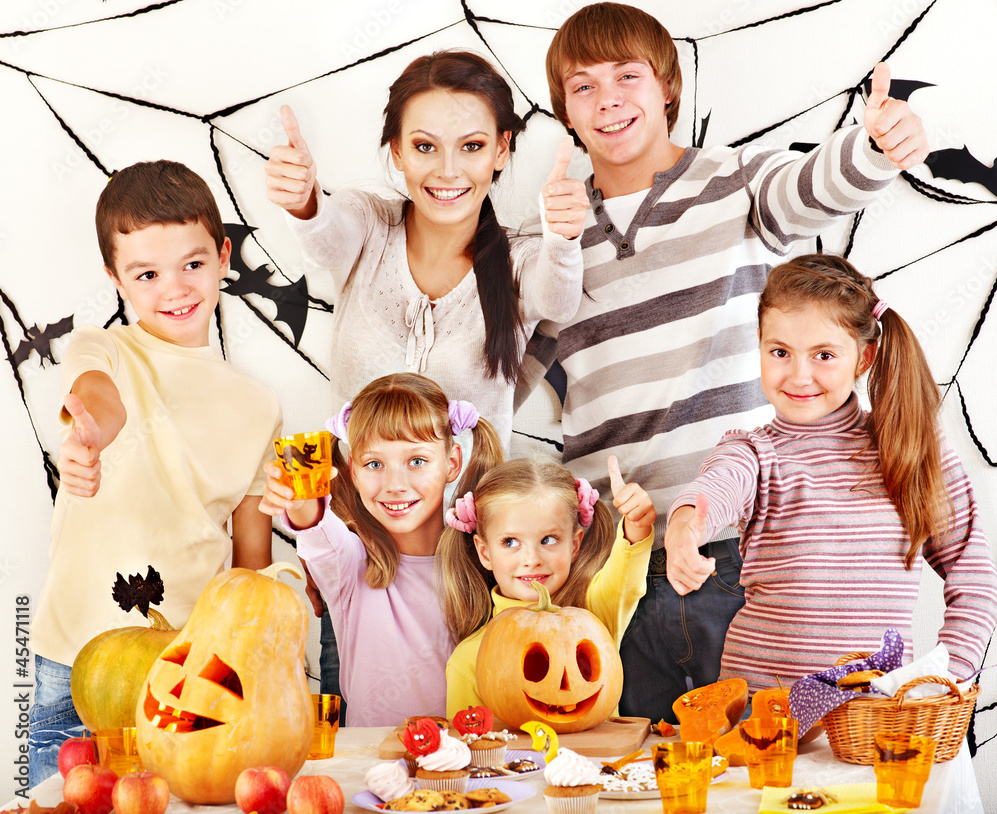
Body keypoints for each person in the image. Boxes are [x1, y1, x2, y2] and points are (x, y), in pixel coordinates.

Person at [516, 2, 931, 722]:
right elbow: (497, 376)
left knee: (756, 759)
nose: (608, 98)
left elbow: (809, 189)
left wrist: (871, 148)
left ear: (668, 87)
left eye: (628, 76)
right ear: (565, 114)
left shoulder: (730, 181)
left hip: (739, 552)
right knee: (633, 770)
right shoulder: (549, 235)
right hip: (612, 561)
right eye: (582, 86)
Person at [28, 161, 281, 787]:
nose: (175, 289)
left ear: (224, 256)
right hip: (72, 659)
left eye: (193, 265)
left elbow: (251, 561)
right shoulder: (104, 348)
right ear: (115, 279)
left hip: (187, 666)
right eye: (146, 273)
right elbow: (96, 393)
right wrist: (94, 435)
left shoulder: (260, 406)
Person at [667, 254, 997, 689]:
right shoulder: (753, 452)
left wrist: (945, 680)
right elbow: (715, 488)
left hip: (874, 723)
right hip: (763, 720)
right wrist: (683, 533)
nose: (799, 376)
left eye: (824, 355)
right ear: (760, 343)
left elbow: (973, 578)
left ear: (864, 358)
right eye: (780, 352)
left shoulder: (910, 448)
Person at [265, 50, 589, 451]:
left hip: (470, 513)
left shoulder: (517, 264)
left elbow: (558, 302)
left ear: (501, 150)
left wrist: (561, 240)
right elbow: (326, 240)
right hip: (353, 509)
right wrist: (303, 201)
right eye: (425, 146)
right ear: (397, 149)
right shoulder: (370, 225)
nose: (448, 170)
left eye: (471, 146)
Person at [259, 373, 505, 727]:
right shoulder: (350, 565)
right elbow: (315, 525)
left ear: (452, 463)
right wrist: (298, 499)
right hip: (374, 768)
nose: (394, 485)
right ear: (354, 473)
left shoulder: (486, 558)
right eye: (374, 464)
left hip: (469, 764)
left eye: (417, 461)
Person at [439, 455, 655, 717]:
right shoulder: (468, 660)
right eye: (510, 542)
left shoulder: (593, 616)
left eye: (548, 539)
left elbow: (625, 583)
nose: (532, 560)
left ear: (574, 545)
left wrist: (636, 526)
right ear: (484, 553)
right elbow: (469, 747)